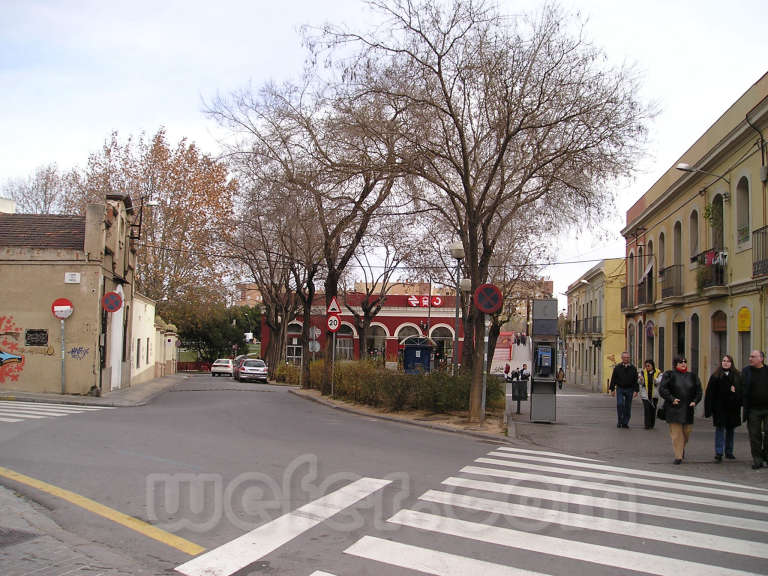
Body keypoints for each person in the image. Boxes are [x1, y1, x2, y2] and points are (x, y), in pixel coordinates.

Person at [659, 355, 703, 464]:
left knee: (686, 432)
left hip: (688, 409)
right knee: (676, 434)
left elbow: (699, 390)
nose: (683, 364)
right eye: (680, 362)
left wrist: (695, 401)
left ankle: (681, 447)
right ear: (676, 364)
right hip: (674, 408)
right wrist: (671, 399)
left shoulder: (692, 376)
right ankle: (678, 456)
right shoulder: (669, 375)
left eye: (685, 362)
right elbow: (663, 389)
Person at [704, 354, 742, 462]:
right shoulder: (716, 376)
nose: (725, 363)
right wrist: (709, 409)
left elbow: (741, 390)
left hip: (732, 408)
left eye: (728, 361)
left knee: (731, 430)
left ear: (731, 363)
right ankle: (719, 452)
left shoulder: (737, 375)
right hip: (719, 408)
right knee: (720, 429)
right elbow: (710, 393)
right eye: (724, 361)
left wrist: (736, 393)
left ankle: (729, 451)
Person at [741, 350, 768, 470]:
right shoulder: (746, 371)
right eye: (750, 356)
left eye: (753, 356)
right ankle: (757, 459)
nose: (750, 358)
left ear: (761, 358)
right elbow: (741, 386)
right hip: (753, 409)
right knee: (754, 435)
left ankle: (766, 456)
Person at [609, 352, 639, 428]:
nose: (626, 359)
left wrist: (636, 390)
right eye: (625, 357)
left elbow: (636, 380)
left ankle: (625, 422)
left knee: (628, 406)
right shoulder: (617, 367)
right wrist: (612, 389)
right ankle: (620, 421)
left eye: (628, 357)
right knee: (620, 404)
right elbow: (613, 378)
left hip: (630, 389)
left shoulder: (633, 368)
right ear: (622, 358)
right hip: (620, 388)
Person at [639, 359, 661, 430]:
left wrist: (656, 380)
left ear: (652, 366)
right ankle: (647, 425)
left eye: (648, 366)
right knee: (647, 409)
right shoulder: (642, 372)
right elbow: (640, 382)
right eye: (646, 366)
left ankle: (652, 424)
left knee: (653, 410)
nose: (647, 367)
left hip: (654, 395)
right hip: (645, 395)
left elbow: (660, 380)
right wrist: (641, 380)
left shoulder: (658, 372)